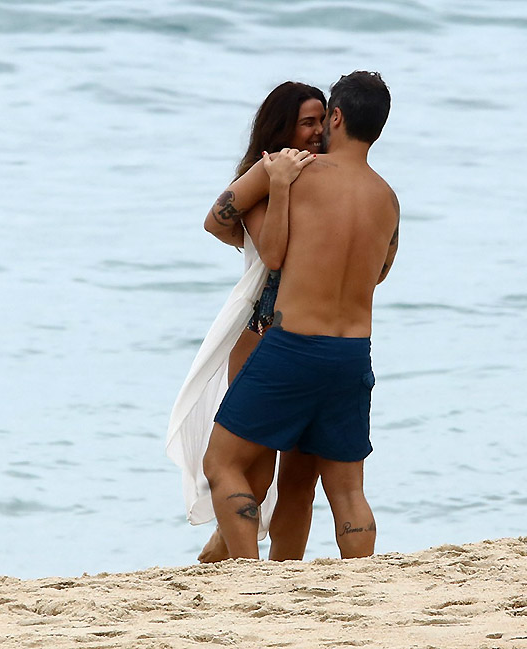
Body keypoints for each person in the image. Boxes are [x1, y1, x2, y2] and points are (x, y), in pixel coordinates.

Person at [201, 71, 399, 560]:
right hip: (352, 354)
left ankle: (250, 580)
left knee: (221, 462)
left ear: (336, 117)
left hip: (292, 347)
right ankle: (364, 588)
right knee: (345, 491)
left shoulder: (295, 171)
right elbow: (380, 273)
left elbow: (218, 216)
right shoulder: (388, 199)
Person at [165, 81, 327, 563]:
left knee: (268, 472)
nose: (318, 131)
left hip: (299, 336)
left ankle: (221, 554)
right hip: (261, 336)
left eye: (322, 120)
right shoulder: (269, 171)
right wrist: (253, 237)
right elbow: (221, 222)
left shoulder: (318, 172)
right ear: (283, 129)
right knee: (250, 464)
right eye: (307, 122)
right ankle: (238, 564)